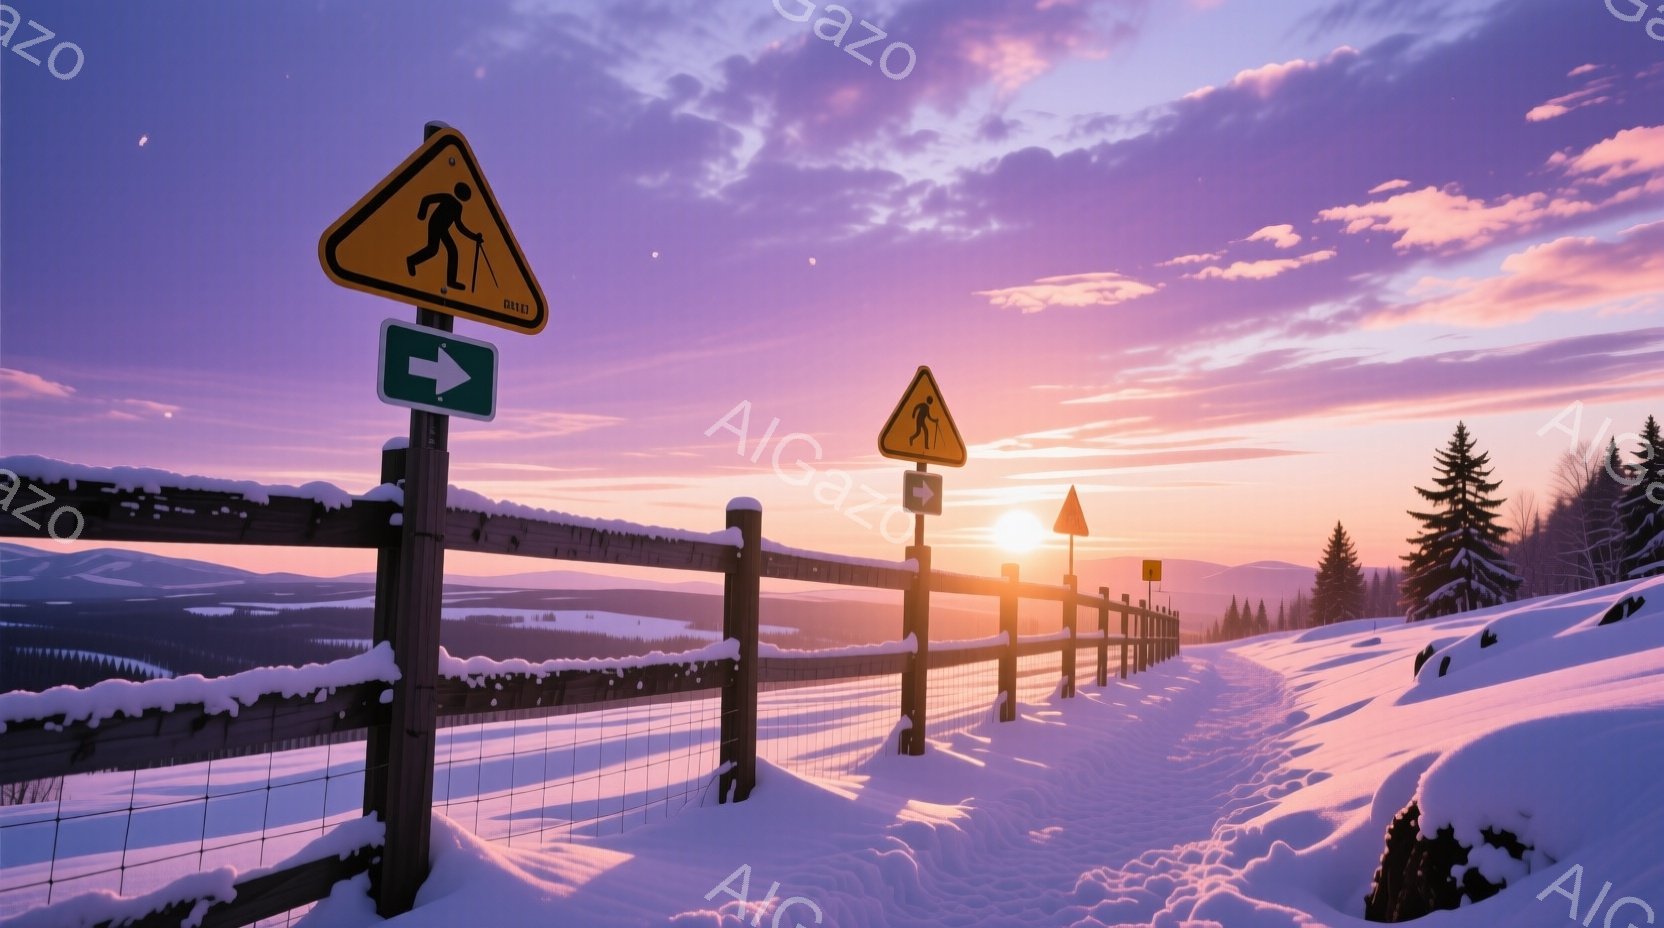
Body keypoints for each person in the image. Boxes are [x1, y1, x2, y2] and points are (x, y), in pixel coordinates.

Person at [406, 182, 483, 290]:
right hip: (434, 224)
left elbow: (459, 226)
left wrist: (474, 237)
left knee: (452, 251)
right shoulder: (447, 197)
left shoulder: (458, 207)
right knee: (433, 250)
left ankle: (451, 281)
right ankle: (411, 260)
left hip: (443, 229)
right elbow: (427, 199)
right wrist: (422, 213)